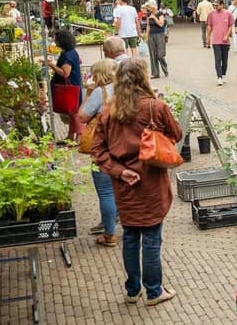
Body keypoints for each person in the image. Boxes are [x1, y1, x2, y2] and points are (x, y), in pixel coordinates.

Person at [92, 58, 182, 307]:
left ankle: (132, 290)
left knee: (130, 236)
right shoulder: (155, 106)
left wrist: (119, 171)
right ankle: (154, 291)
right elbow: (176, 134)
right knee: (152, 239)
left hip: (124, 185)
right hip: (151, 181)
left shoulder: (108, 111)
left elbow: (98, 151)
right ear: (144, 77)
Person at [77, 59, 119, 246]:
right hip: (125, 147)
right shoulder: (126, 90)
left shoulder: (98, 93)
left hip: (103, 147)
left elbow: (82, 116)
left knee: (106, 192)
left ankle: (109, 234)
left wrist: (87, 93)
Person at [47, 29, 84, 141]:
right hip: (74, 85)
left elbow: (65, 73)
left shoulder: (68, 55)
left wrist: (51, 65)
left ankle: (79, 137)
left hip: (71, 87)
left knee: (73, 113)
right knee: (72, 112)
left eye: (56, 38)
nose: (54, 40)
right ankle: (71, 136)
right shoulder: (70, 52)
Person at [206, 0, 233, 86]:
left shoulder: (228, 13)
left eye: (217, 5)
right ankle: (219, 77)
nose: (215, 6)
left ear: (222, 5)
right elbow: (209, 26)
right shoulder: (211, 14)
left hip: (225, 41)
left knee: (224, 60)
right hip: (216, 41)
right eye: (214, 5)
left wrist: (227, 35)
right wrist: (208, 38)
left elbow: (230, 26)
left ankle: (224, 74)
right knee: (218, 59)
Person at [144, 1, 169, 79]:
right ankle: (155, 73)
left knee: (160, 55)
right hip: (151, 35)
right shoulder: (148, 15)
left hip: (160, 35)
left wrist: (154, 18)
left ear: (153, 7)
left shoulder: (160, 14)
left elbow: (161, 24)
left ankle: (165, 69)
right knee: (153, 54)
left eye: (148, 7)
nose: (147, 8)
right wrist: (146, 36)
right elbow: (148, 26)